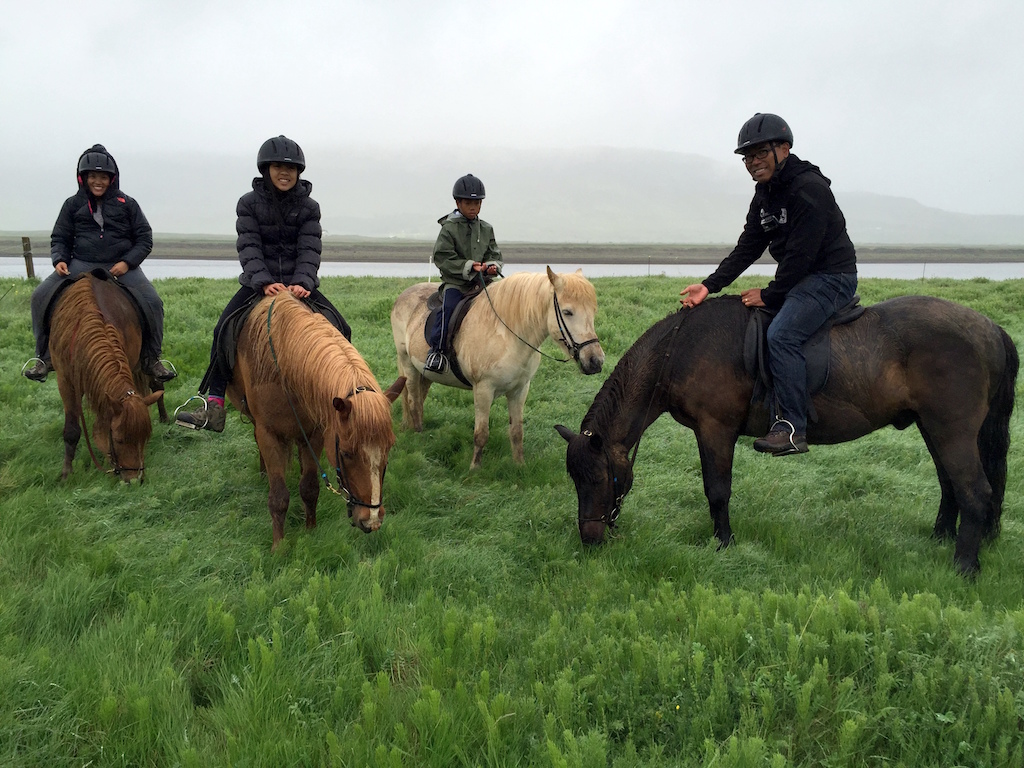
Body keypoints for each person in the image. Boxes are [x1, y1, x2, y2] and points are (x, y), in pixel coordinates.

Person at [680, 113, 857, 456]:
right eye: (747, 157)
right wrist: (709, 285)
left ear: (784, 149)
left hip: (830, 278)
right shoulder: (765, 194)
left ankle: (792, 427)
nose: (752, 163)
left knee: (782, 335)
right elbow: (749, 246)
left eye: (760, 153)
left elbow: (803, 255)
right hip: (802, 278)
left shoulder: (809, 188)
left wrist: (771, 294)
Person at [175, 135, 348, 432]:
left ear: (299, 173)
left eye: (291, 168)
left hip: (299, 286)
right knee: (223, 330)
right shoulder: (248, 204)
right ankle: (214, 403)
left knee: (342, 329)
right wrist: (263, 282)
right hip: (259, 285)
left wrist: (303, 281)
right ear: (266, 169)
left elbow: (310, 248)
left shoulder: (309, 207)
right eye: (279, 166)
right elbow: (249, 246)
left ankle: (344, 398)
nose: (285, 172)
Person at [24, 144, 175, 383]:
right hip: (80, 264)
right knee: (39, 296)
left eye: (103, 177)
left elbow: (144, 238)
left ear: (111, 179)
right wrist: (59, 260)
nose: (98, 182)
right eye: (92, 176)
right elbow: (60, 237)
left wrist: (127, 263)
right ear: (82, 178)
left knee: (153, 302)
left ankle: (151, 358)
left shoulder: (128, 204)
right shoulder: (71, 205)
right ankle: (44, 357)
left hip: (120, 267)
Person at [423, 173, 503, 374]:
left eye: (477, 203)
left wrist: (492, 266)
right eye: (468, 202)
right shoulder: (449, 228)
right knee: (448, 309)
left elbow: (494, 253)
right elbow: (442, 257)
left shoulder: (486, 228)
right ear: (458, 202)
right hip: (457, 283)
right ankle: (437, 352)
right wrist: (469, 266)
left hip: (483, 281)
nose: (473, 207)